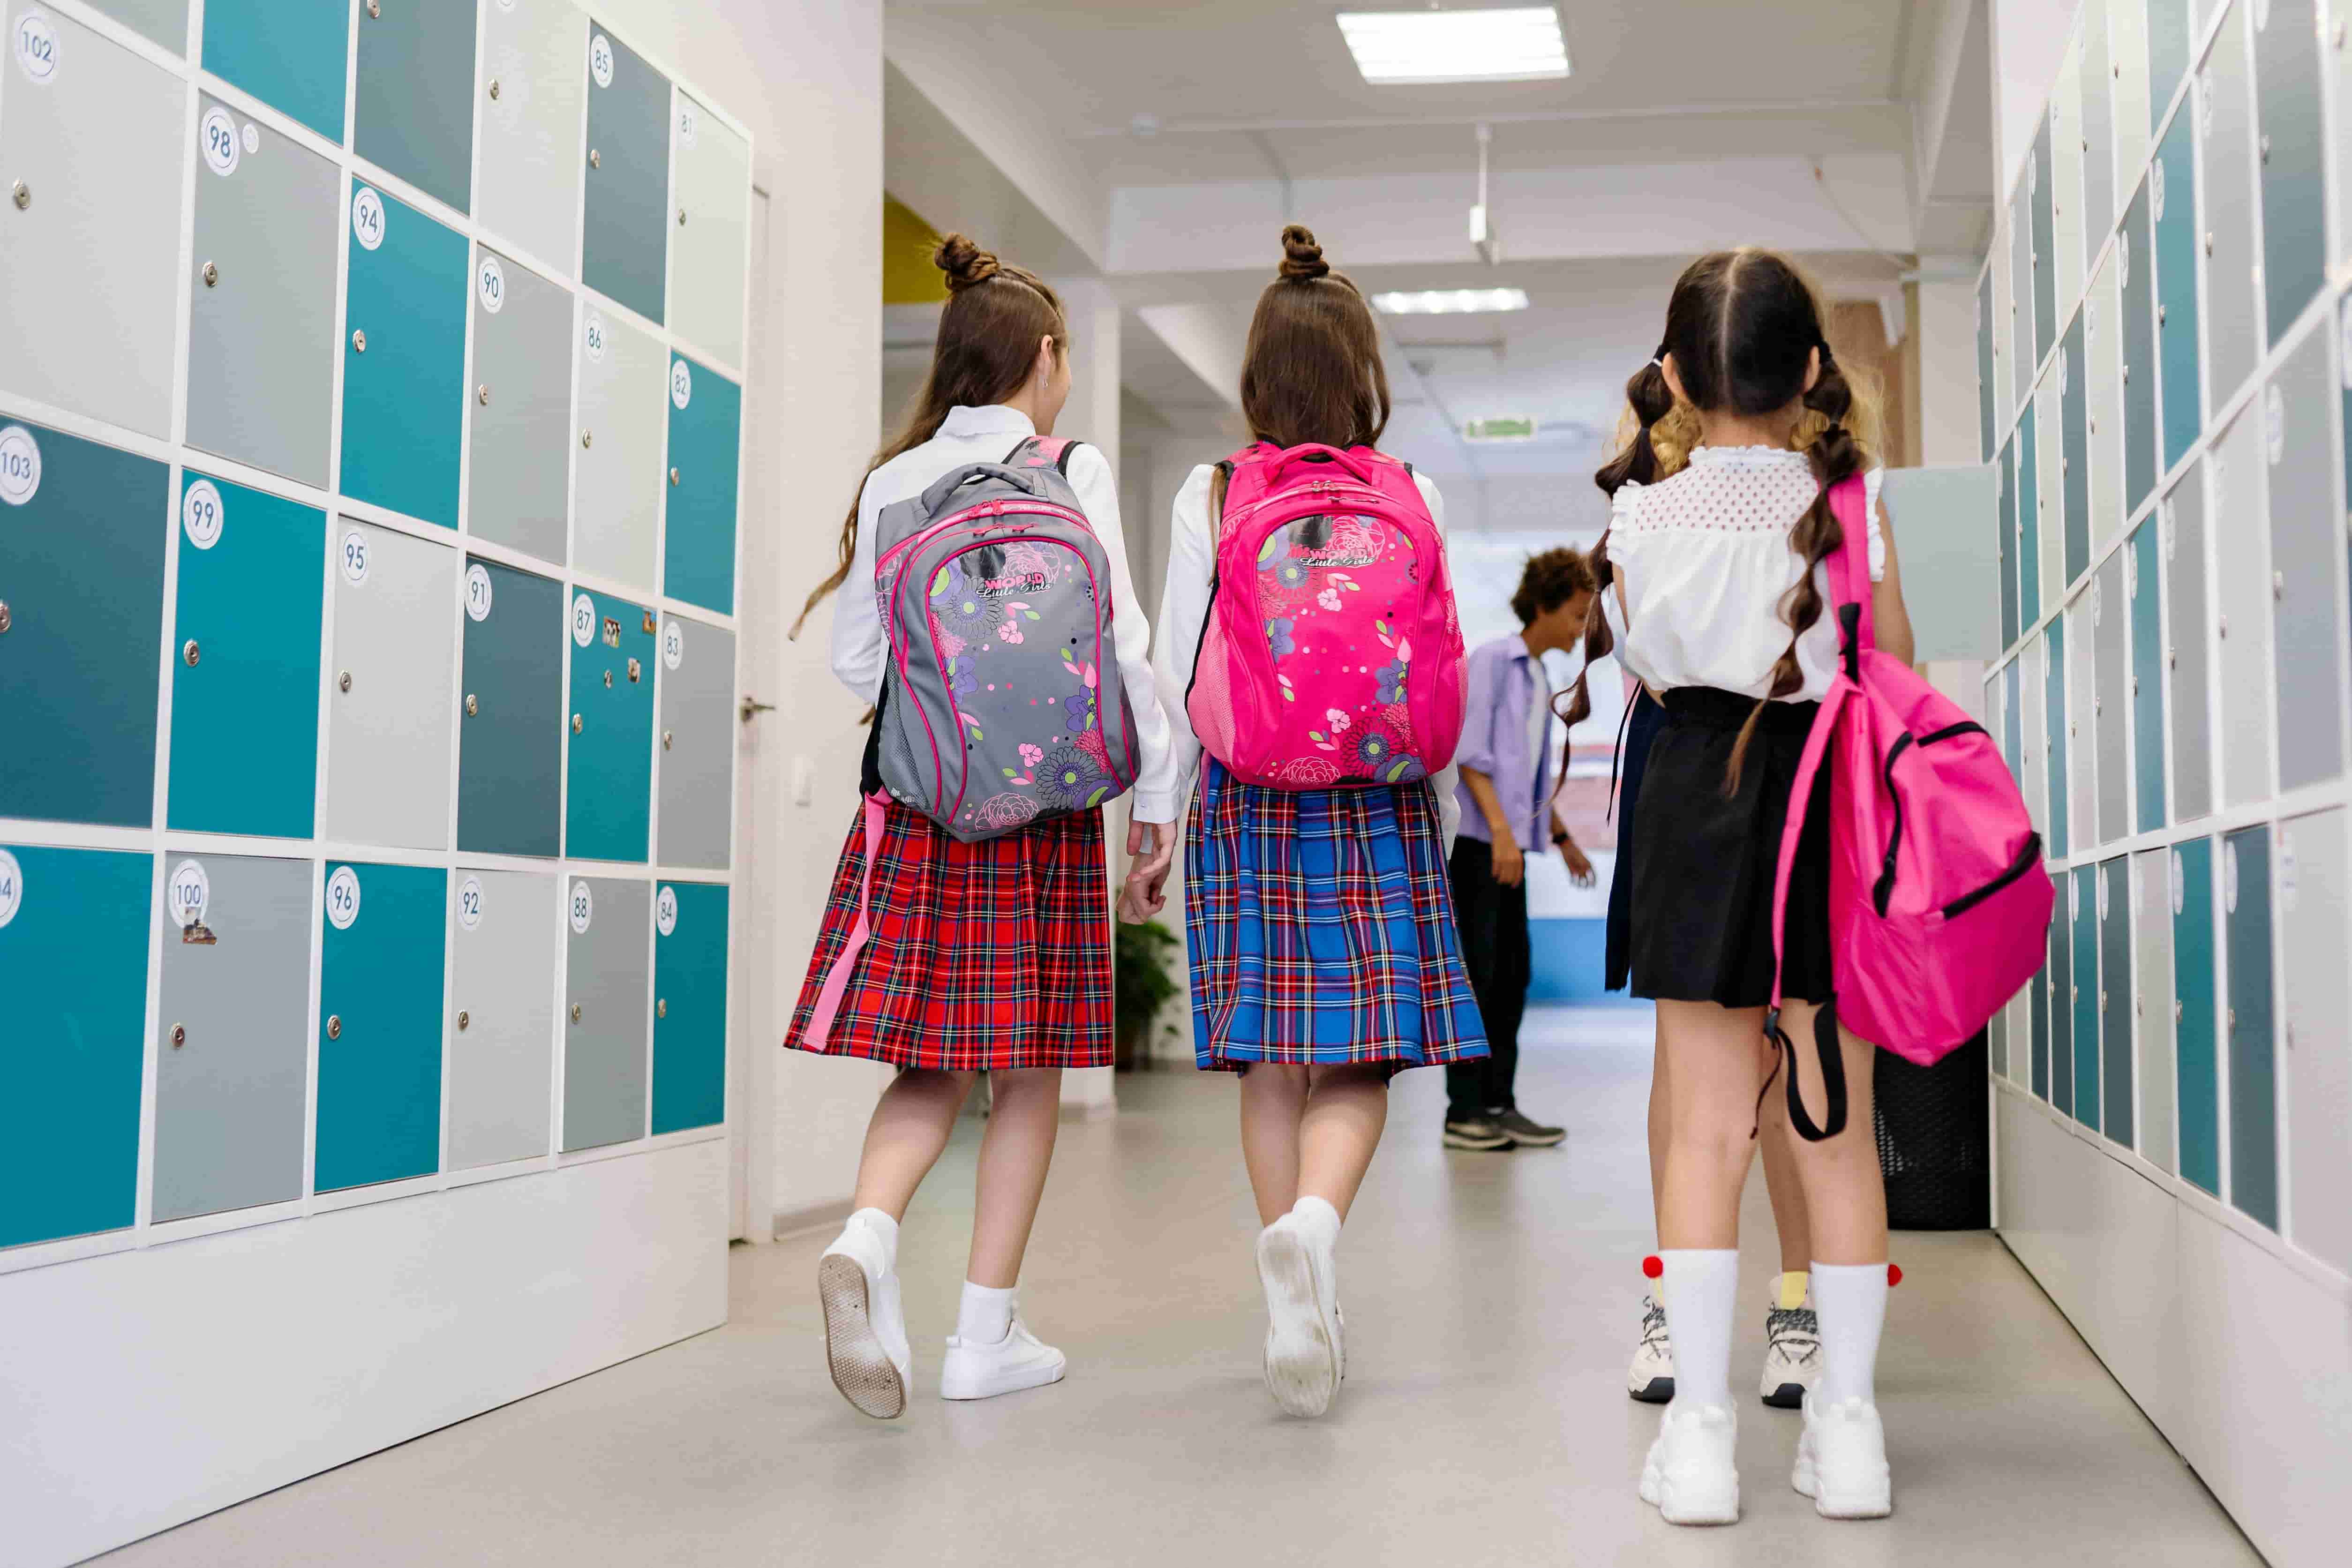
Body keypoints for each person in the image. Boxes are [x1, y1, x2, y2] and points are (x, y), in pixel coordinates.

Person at [781, 234, 1178, 1420]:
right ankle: (983, 1335)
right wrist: (1152, 810)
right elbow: (1121, 648)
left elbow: (859, 655)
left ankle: (864, 1232)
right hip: (1046, 814)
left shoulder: (892, 480)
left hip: (922, 807)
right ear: (1044, 359)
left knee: (930, 1060)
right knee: (1030, 1074)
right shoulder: (1072, 467)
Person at [1562, 248, 1915, 1524]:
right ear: (1812, 371)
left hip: (1693, 810)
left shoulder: (1638, 512)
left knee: (1705, 1129)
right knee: (1832, 1126)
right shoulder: (1847, 509)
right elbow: (1890, 675)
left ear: (1669, 379)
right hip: (1825, 808)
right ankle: (1850, 1436)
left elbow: (1648, 679)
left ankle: (1702, 1442)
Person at [1128, 225, 1487, 1419]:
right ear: (1364, 369)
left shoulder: (1213, 489)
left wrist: (1158, 820)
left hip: (1247, 794)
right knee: (1363, 1052)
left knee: (1271, 1059)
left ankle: (1290, 1279)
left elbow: (1186, 667)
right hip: (1378, 798)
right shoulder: (1413, 492)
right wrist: (1432, 810)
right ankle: (1319, 1233)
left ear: (1254, 372)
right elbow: (1433, 667)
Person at [1441, 548, 1596, 1152]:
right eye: (1578, 614)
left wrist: (1560, 838)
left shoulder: (1535, 675)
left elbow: (1524, 776)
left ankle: (1499, 1104)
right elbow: (1470, 755)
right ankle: (1464, 1111)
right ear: (1547, 604)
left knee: (1511, 977)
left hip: (1509, 847)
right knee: (1479, 977)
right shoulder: (1492, 662)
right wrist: (1504, 834)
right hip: (1480, 848)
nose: (1581, 628)